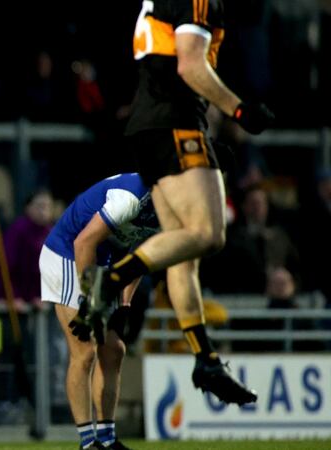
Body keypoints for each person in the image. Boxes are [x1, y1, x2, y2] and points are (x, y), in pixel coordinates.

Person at [73, 0, 275, 406]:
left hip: (150, 125)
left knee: (184, 253)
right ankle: (110, 281)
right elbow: (190, 66)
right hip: (175, 121)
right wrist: (238, 110)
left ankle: (205, 357)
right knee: (208, 234)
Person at [41, 173, 157, 450]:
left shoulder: (170, 205)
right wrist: (89, 301)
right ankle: (86, 441)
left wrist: (125, 304)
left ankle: (106, 438)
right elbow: (83, 243)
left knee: (114, 349)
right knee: (85, 351)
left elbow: (141, 255)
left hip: (107, 260)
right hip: (68, 254)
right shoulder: (130, 197)